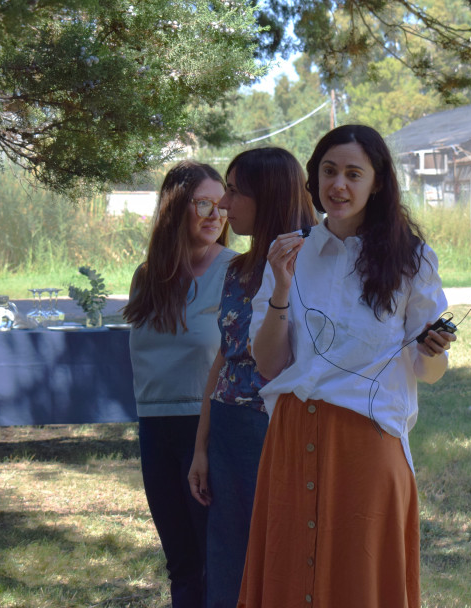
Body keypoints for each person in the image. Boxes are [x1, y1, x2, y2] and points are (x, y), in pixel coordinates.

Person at [238, 125, 458, 608]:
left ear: (376, 183)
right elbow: (270, 364)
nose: (339, 185)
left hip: (369, 440)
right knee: (289, 577)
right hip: (292, 438)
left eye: (353, 174)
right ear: (313, 180)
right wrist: (278, 287)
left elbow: (429, 372)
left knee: (361, 580)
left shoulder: (411, 261)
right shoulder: (291, 254)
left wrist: (433, 352)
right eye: (329, 171)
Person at [187, 147, 317, 608]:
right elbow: (222, 360)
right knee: (229, 561)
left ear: (270, 195)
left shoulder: (314, 264)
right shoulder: (238, 269)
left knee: (282, 558)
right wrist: (201, 447)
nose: (223, 205)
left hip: (280, 427)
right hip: (227, 430)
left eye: (235, 191)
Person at [124, 160, 235, 608]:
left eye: (221, 205)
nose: (215, 215)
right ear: (175, 209)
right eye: (202, 204)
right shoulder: (147, 276)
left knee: (214, 561)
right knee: (181, 563)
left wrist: (205, 446)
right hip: (154, 428)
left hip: (206, 429)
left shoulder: (237, 271)